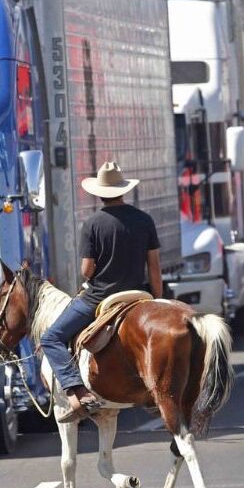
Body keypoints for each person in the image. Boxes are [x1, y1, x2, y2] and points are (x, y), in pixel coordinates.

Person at [39, 161, 163, 423]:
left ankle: (79, 391)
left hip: (99, 297)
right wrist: (159, 300)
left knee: (51, 337)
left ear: (99, 193)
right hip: (137, 294)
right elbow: (154, 267)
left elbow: (86, 271)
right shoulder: (145, 220)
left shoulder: (93, 223)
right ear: (123, 190)